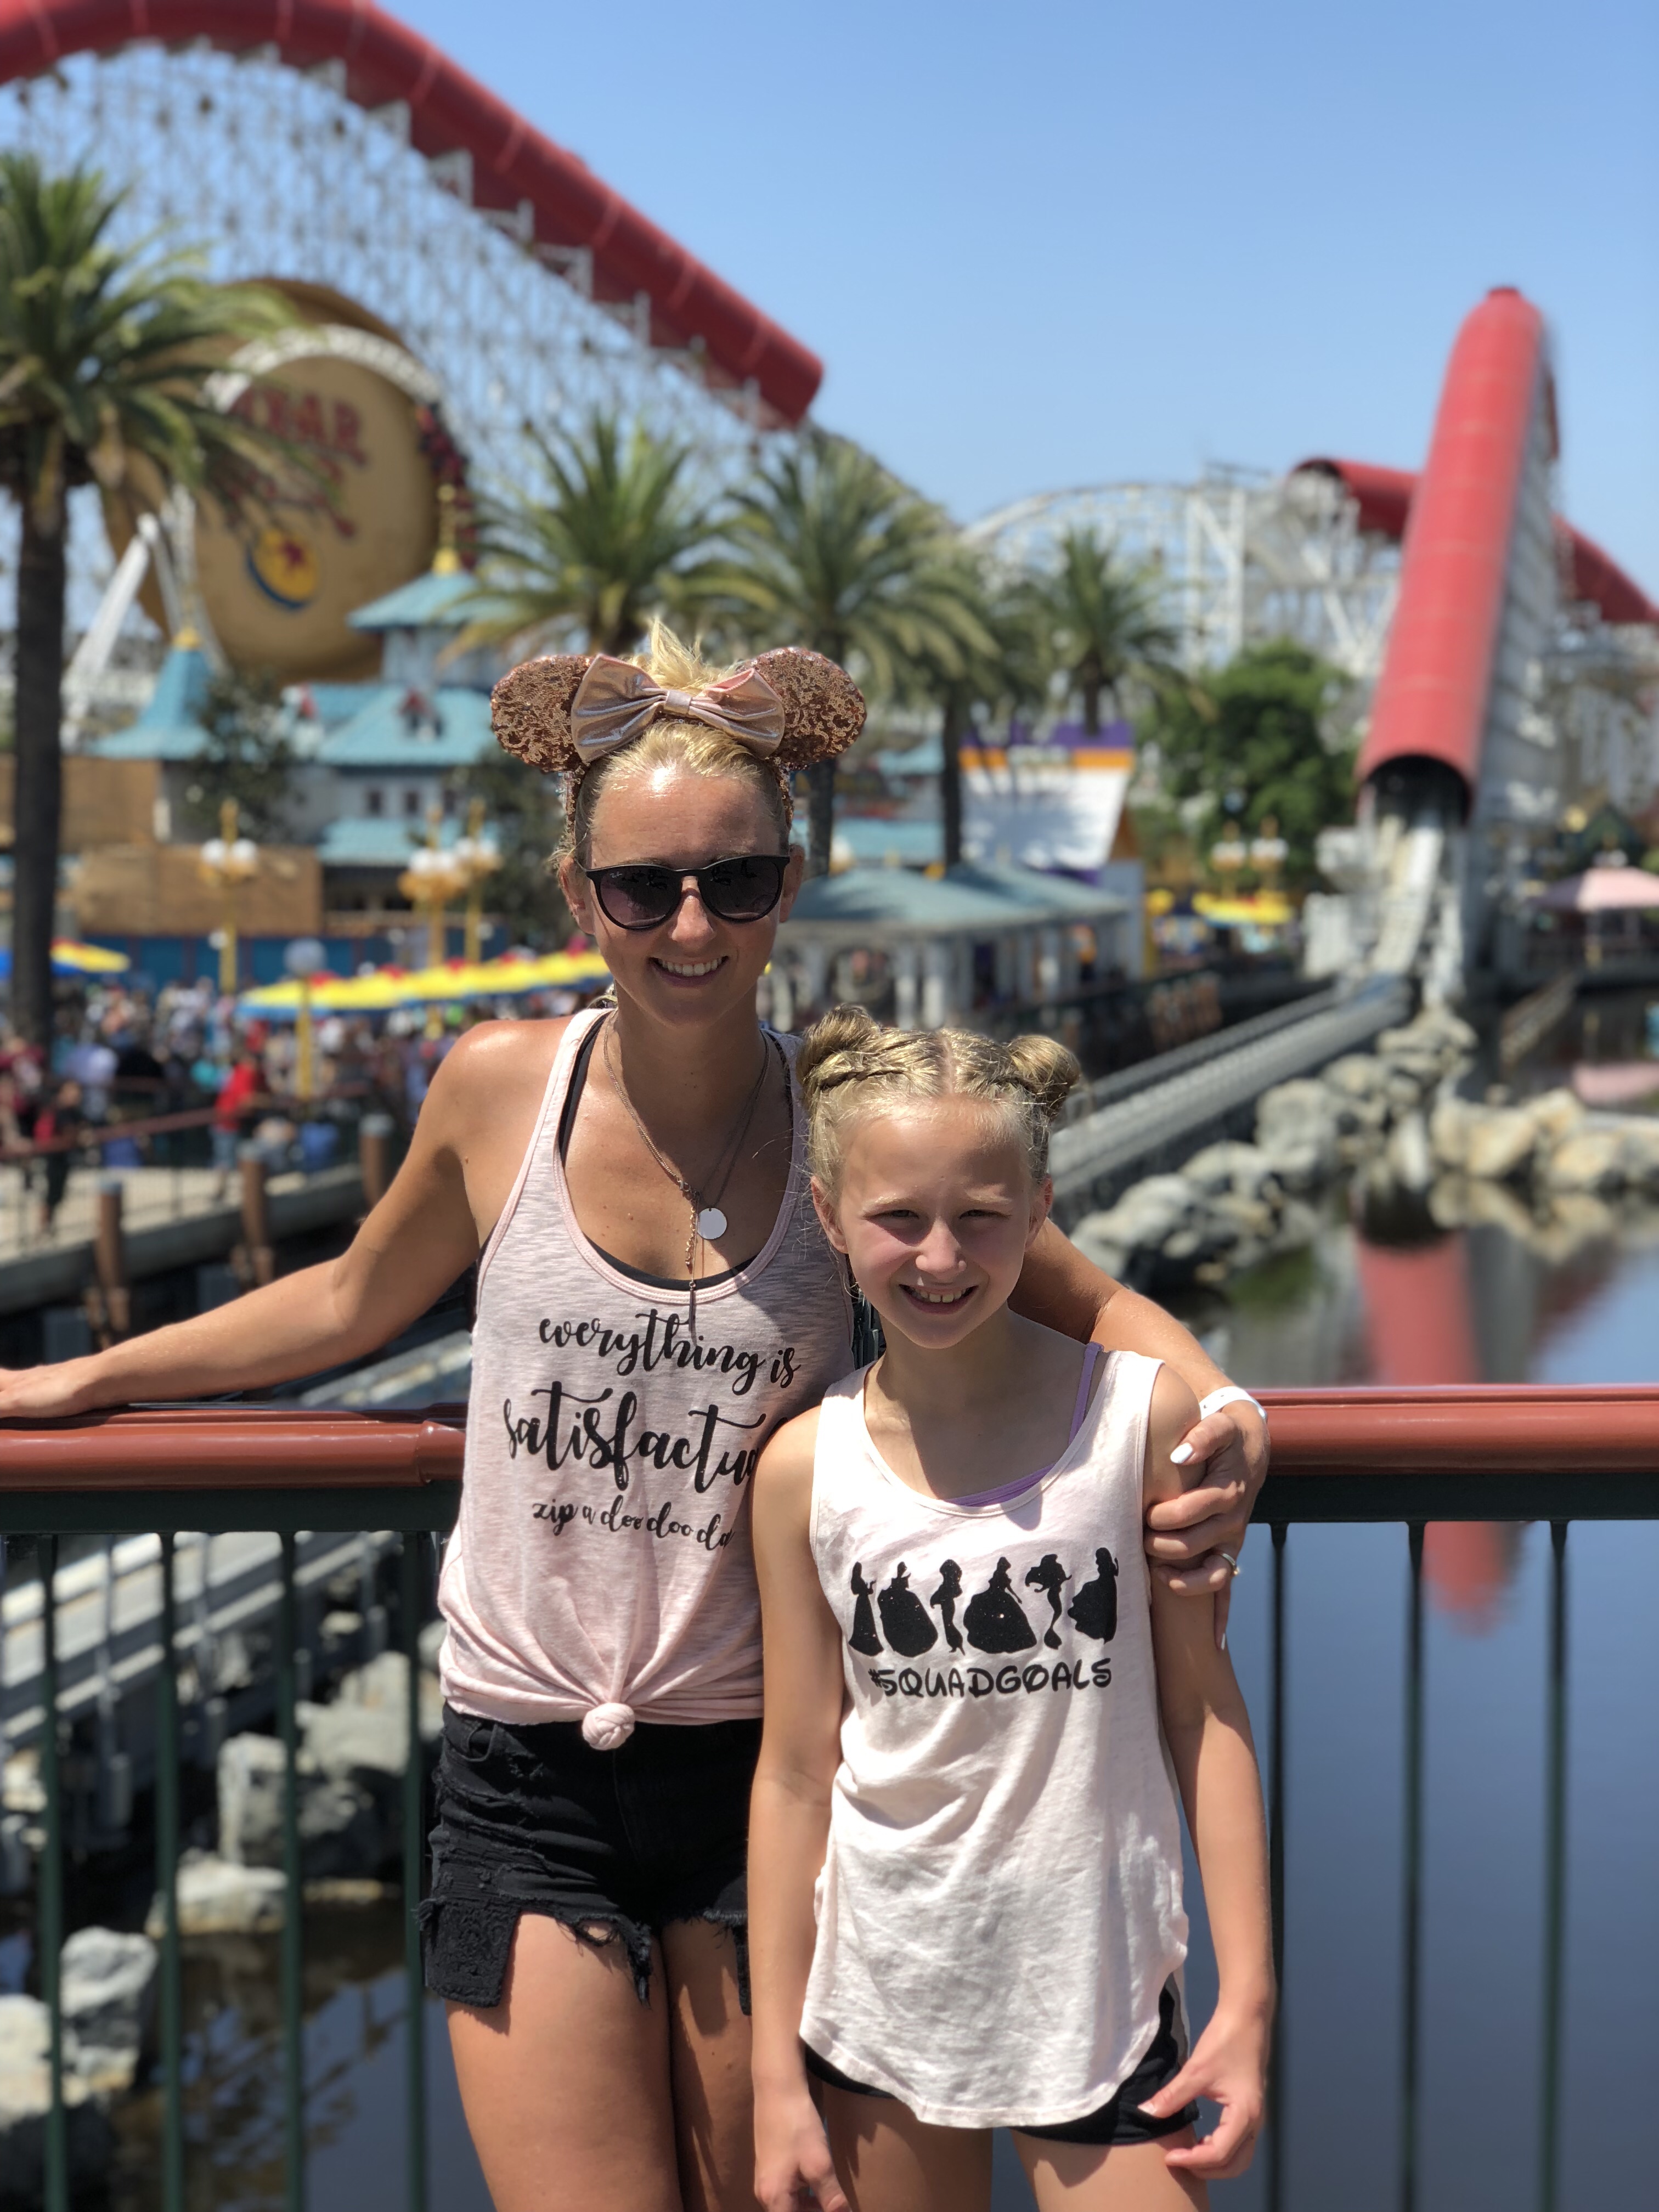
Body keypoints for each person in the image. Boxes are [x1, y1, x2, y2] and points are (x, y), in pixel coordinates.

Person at [0, 626, 1266, 2212]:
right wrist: (92, 1378)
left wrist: (1228, 1415)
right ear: (575, 891)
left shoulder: (847, 1136)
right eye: (642, 886)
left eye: (735, 882)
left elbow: (1098, 1308)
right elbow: (347, 1301)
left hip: (765, 1774)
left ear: (787, 887)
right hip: (523, 1774)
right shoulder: (498, 1089)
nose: (690, 924)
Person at [749, 1009, 1272, 2212]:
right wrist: (778, 2073)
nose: (940, 1257)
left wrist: (1247, 1998)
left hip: (1100, 1993)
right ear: (828, 1214)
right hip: (882, 1993)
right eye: (898, 1218)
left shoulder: (1137, 1422)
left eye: (981, 1216)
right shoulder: (804, 1471)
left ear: (1041, 1211)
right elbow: (794, 1773)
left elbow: (1203, 1716)